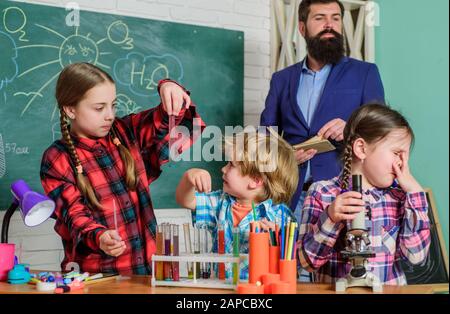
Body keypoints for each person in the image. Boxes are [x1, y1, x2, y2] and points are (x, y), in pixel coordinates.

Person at [40, 62, 205, 274]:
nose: (109, 115)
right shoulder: (57, 158)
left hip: (149, 270)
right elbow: (74, 215)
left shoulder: (125, 131)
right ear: (71, 109)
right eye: (99, 108)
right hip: (98, 278)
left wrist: (168, 86)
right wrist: (99, 236)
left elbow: (170, 120)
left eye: (113, 105)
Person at [260, 0, 385, 219]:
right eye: (320, 18)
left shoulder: (365, 73)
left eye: (335, 18)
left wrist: (350, 129)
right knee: (289, 255)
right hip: (290, 198)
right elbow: (265, 138)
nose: (330, 25)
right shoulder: (281, 80)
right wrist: (285, 159)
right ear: (302, 28)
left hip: (343, 196)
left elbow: (381, 132)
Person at [298, 103, 431, 285]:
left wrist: (415, 194)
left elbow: (417, 257)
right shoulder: (321, 193)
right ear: (361, 149)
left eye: (406, 156)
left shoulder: (401, 198)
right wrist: (330, 218)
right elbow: (306, 262)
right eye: (397, 153)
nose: (403, 164)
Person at [175, 129, 298, 279]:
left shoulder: (281, 217)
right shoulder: (220, 203)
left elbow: (289, 266)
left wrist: (275, 242)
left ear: (255, 180)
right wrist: (189, 177)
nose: (223, 169)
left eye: (231, 165)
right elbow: (185, 200)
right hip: (221, 288)